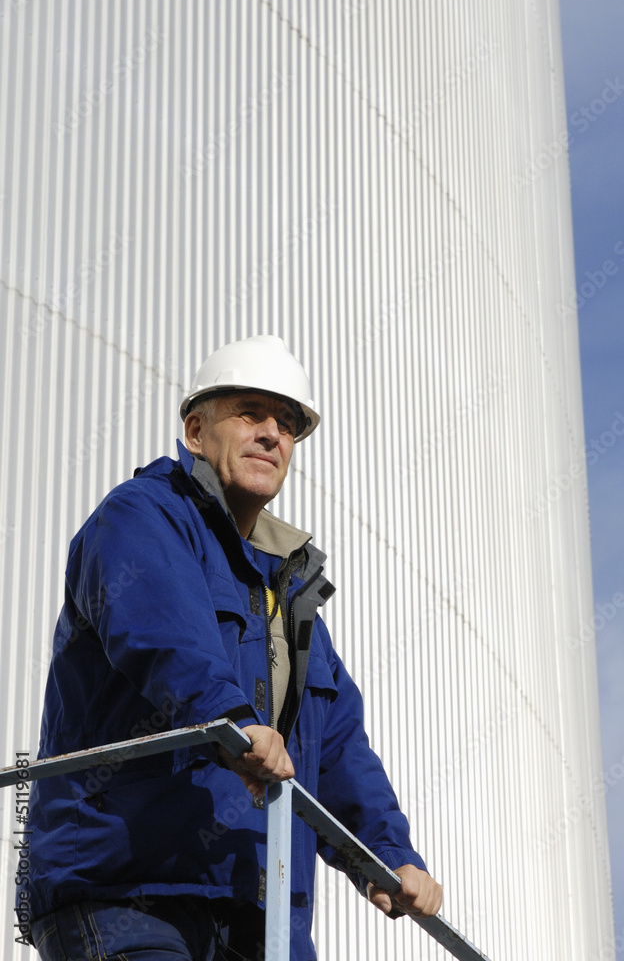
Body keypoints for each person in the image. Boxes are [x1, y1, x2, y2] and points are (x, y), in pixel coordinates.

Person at [23, 335, 442, 961]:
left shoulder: (286, 591)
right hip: (130, 893)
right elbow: (164, 638)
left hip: (260, 911)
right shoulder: (141, 518)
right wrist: (234, 722)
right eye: (250, 412)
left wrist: (387, 855)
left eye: (289, 423)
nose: (273, 433)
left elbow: (334, 746)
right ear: (196, 430)